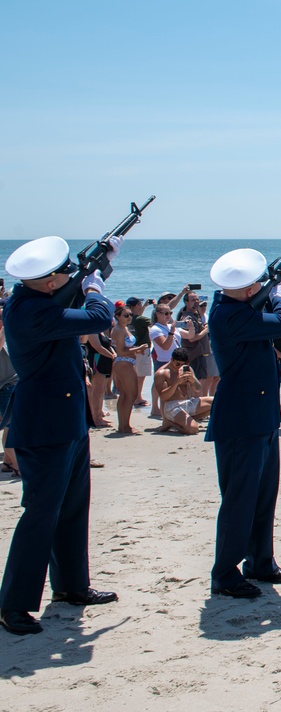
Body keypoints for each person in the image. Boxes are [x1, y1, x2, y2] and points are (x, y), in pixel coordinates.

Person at [0, 235, 120, 636]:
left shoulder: (35, 299)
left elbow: (70, 304)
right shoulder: (31, 312)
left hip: (66, 419)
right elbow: (99, 317)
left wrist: (100, 264)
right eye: (65, 273)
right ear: (50, 282)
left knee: (71, 508)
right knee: (40, 515)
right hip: (44, 424)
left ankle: (70, 586)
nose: (70, 276)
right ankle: (13, 604)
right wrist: (94, 287)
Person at [206, 248, 281, 598]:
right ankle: (225, 572)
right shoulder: (229, 315)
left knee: (263, 495)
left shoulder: (240, 306)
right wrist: (280, 293)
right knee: (240, 499)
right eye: (259, 283)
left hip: (259, 415)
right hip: (241, 419)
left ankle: (260, 561)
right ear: (248, 291)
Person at [148, 305, 194, 418]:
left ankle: (179, 411)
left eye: (170, 313)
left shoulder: (171, 326)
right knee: (164, 390)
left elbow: (190, 336)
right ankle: (160, 412)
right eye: (166, 313)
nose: (169, 316)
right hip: (164, 362)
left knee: (180, 387)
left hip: (178, 362)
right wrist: (171, 332)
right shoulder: (155, 329)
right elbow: (165, 346)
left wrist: (191, 327)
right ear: (158, 314)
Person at [153, 347, 213, 434]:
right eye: (177, 364)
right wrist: (176, 383)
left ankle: (187, 420)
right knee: (193, 429)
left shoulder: (187, 369)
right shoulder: (162, 373)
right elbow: (163, 397)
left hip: (188, 402)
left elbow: (198, 389)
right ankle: (171, 423)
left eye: (183, 364)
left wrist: (193, 380)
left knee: (217, 402)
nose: (180, 367)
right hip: (173, 406)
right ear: (171, 359)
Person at [110, 304, 149, 434]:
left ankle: (123, 425)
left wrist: (136, 351)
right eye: (125, 315)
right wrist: (138, 349)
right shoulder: (118, 330)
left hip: (126, 362)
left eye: (130, 314)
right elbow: (120, 351)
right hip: (123, 362)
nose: (129, 317)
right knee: (131, 394)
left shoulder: (124, 328)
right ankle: (125, 426)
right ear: (117, 317)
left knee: (125, 395)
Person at [0, 314, 20, 477]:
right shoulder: (5, 332)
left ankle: (9, 461)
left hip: (11, 382)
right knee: (11, 427)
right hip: (6, 384)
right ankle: (18, 466)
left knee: (10, 426)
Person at [126, 296, 154, 406]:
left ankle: (134, 396)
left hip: (132, 348)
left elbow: (137, 317)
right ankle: (138, 397)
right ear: (137, 305)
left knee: (134, 374)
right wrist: (156, 307)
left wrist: (145, 306)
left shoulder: (128, 318)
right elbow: (154, 322)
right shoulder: (140, 320)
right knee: (141, 375)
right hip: (142, 349)